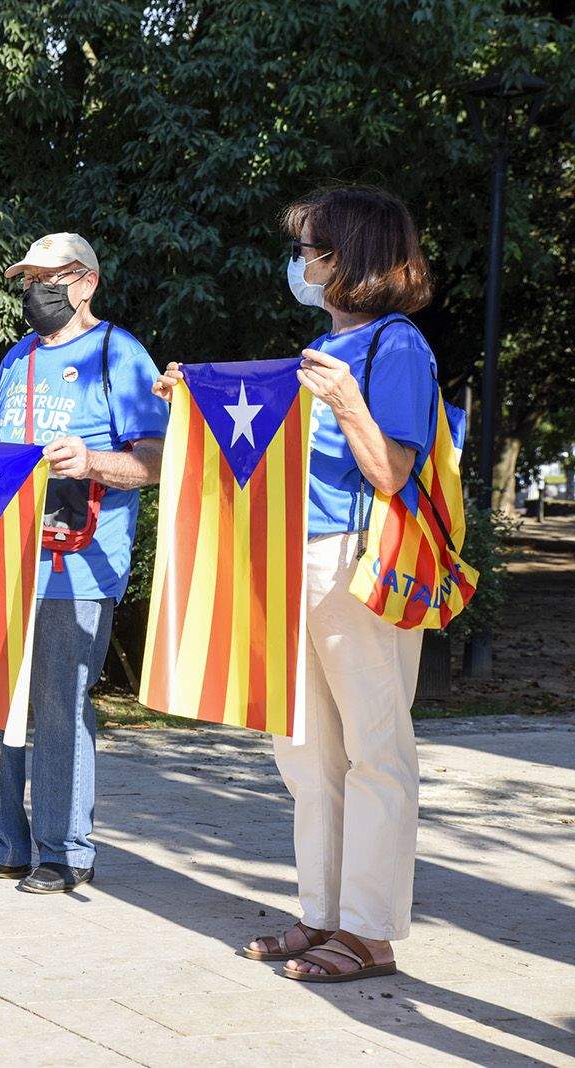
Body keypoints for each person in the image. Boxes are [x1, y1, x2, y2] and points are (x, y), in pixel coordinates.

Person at [154, 186, 438, 982]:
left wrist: (347, 403)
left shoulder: (396, 346)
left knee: (376, 748)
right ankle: (323, 916)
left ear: (348, 258)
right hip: (295, 557)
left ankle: (370, 934)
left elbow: (391, 470)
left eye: (309, 248)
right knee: (305, 750)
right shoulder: (323, 347)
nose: (299, 263)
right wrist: (192, 404)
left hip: (357, 559)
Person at [0, 232, 166, 894]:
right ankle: (1, 844)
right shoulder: (16, 361)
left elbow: (159, 462)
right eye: (26, 279)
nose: (35, 289)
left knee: (57, 707)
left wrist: (94, 462)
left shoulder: (120, 353)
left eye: (49, 276)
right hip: (2, 563)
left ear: (87, 282)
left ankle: (65, 851)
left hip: (80, 565)